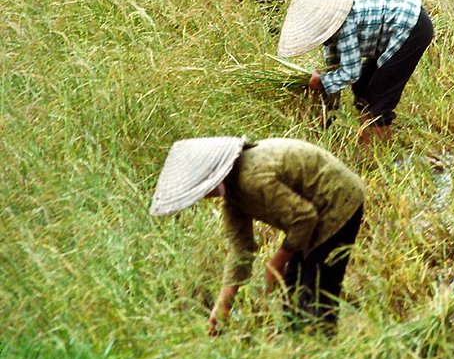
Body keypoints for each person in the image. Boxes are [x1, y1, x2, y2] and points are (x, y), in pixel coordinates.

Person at [149, 136, 365, 336]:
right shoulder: (234, 198)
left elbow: (304, 218)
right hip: (315, 212)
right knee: (293, 287)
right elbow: (240, 250)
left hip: (338, 202)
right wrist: (223, 305)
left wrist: (276, 262)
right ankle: (300, 348)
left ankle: (323, 357)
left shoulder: (252, 180)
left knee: (313, 291)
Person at [277, 0, 434, 148]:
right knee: (362, 85)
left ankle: (379, 153)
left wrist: (322, 81)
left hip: (412, 25)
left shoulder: (344, 25)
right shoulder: (330, 35)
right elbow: (335, 69)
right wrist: (326, 109)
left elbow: (351, 73)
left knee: (379, 97)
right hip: (395, 28)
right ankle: (368, 140)